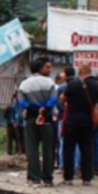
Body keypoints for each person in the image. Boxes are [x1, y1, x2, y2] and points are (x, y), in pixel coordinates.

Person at [18, 58, 58, 186]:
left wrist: (33, 108)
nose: (49, 70)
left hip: (31, 117)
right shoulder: (49, 82)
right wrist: (45, 109)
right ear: (40, 69)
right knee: (48, 149)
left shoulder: (24, 84)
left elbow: (21, 102)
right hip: (46, 117)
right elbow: (53, 99)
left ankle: (35, 178)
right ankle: (47, 178)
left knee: (32, 148)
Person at [61, 64, 98, 186]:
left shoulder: (73, 84)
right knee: (87, 149)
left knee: (69, 149)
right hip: (88, 121)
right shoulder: (96, 85)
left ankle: (68, 177)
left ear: (80, 72)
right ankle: (87, 178)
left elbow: (63, 98)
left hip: (72, 121)